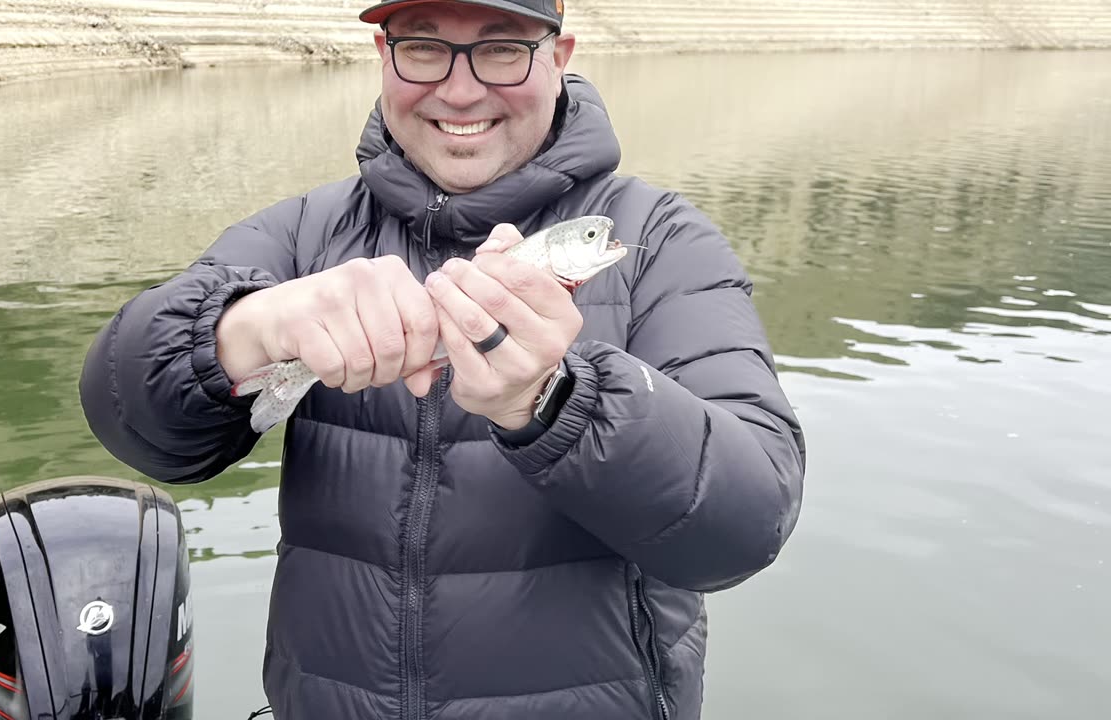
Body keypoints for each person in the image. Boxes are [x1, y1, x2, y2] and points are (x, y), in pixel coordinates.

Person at [78, 0, 806, 717]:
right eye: (424, 46)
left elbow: (745, 527)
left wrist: (558, 403)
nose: (459, 91)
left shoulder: (662, 240)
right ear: (383, 57)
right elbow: (130, 417)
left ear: (559, 56)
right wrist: (245, 332)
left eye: (501, 49)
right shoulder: (299, 233)